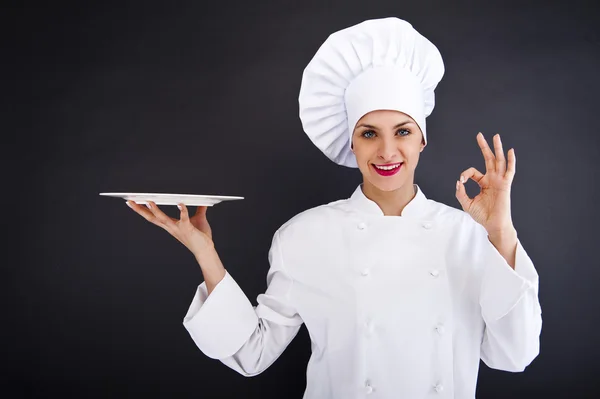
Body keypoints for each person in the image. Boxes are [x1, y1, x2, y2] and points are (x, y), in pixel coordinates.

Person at [126, 17, 542, 399]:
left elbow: (514, 354)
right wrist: (205, 252)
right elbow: (252, 353)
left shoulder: (470, 235)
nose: (386, 150)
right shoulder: (304, 236)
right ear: (351, 143)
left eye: (402, 131)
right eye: (368, 133)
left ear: (422, 140)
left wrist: (501, 232)